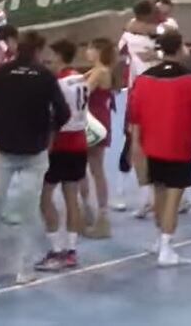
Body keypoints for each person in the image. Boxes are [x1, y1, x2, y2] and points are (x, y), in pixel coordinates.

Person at [0, 31, 71, 284]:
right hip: (34, 150)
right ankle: (24, 270)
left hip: (3, 151)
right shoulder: (45, 76)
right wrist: (47, 129)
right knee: (29, 211)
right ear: (39, 51)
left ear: (16, 48)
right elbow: (63, 112)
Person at [126, 30, 191, 267]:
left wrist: (136, 145)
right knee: (174, 197)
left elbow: (135, 116)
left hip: (151, 147)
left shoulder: (144, 79)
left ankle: (159, 241)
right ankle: (166, 249)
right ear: (180, 47)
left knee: (159, 195)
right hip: (179, 147)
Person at [36, 40, 91, 272]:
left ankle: (56, 250)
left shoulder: (57, 84)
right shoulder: (82, 80)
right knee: (71, 197)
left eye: (51, 58)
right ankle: (71, 251)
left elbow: (53, 116)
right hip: (80, 142)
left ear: (59, 57)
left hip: (59, 145)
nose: (49, 62)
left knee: (44, 197)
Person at [115, 1, 160, 215]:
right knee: (134, 141)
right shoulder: (133, 35)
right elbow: (119, 58)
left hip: (150, 93)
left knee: (144, 143)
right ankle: (129, 194)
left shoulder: (159, 33)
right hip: (144, 93)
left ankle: (143, 196)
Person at [80, 38, 117, 239]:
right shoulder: (98, 70)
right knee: (93, 168)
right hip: (98, 120)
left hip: (93, 123)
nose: (87, 52)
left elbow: (82, 92)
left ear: (98, 51)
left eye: (89, 48)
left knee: (91, 168)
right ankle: (91, 212)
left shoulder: (100, 72)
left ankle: (96, 214)